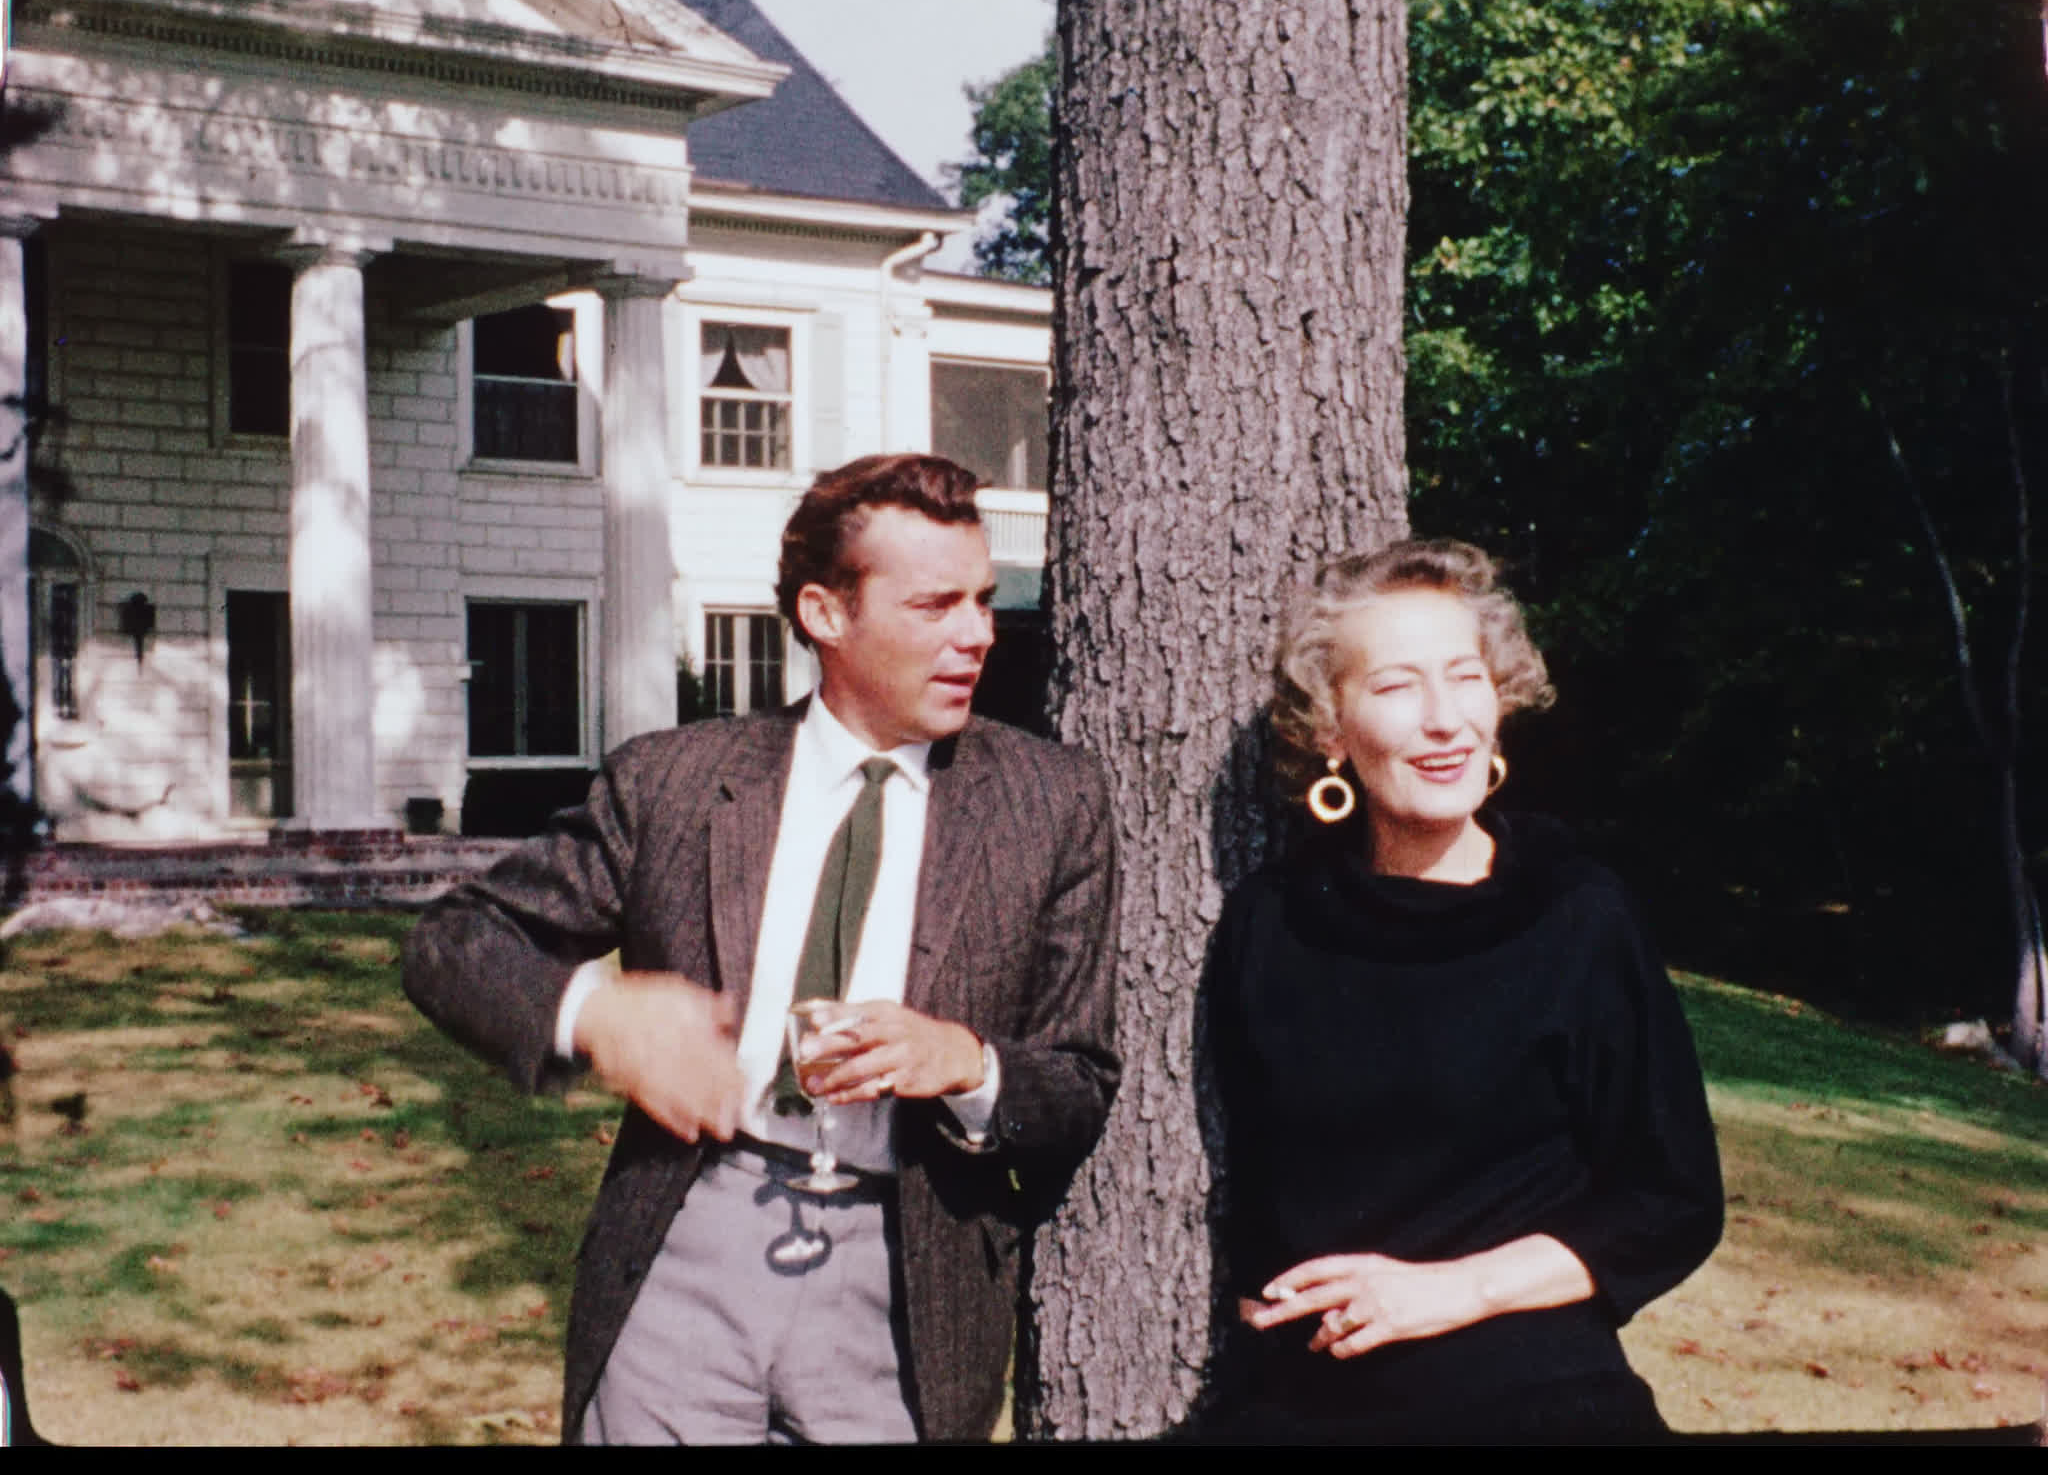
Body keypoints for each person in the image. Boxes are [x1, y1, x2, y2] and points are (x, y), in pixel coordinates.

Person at [403, 454, 1119, 1444]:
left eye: (983, 601)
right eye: (934, 605)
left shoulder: (1052, 803)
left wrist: (963, 1063)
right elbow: (452, 944)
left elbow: (1079, 1083)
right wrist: (597, 1014)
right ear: (825, 614)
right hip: (687, 1247)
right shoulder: (676, 783)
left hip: (906, 1281)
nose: (976, 633)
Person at [1205, 537, 1722, 1443]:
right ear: (1331, 727)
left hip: (1537, 1395)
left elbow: (1671, 1202)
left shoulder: (1577, 914)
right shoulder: (1273, 922)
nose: (1445, 720)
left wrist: (1445, 1292)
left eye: (1465, 677)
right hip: (1314, 1403)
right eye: (1398, 687)